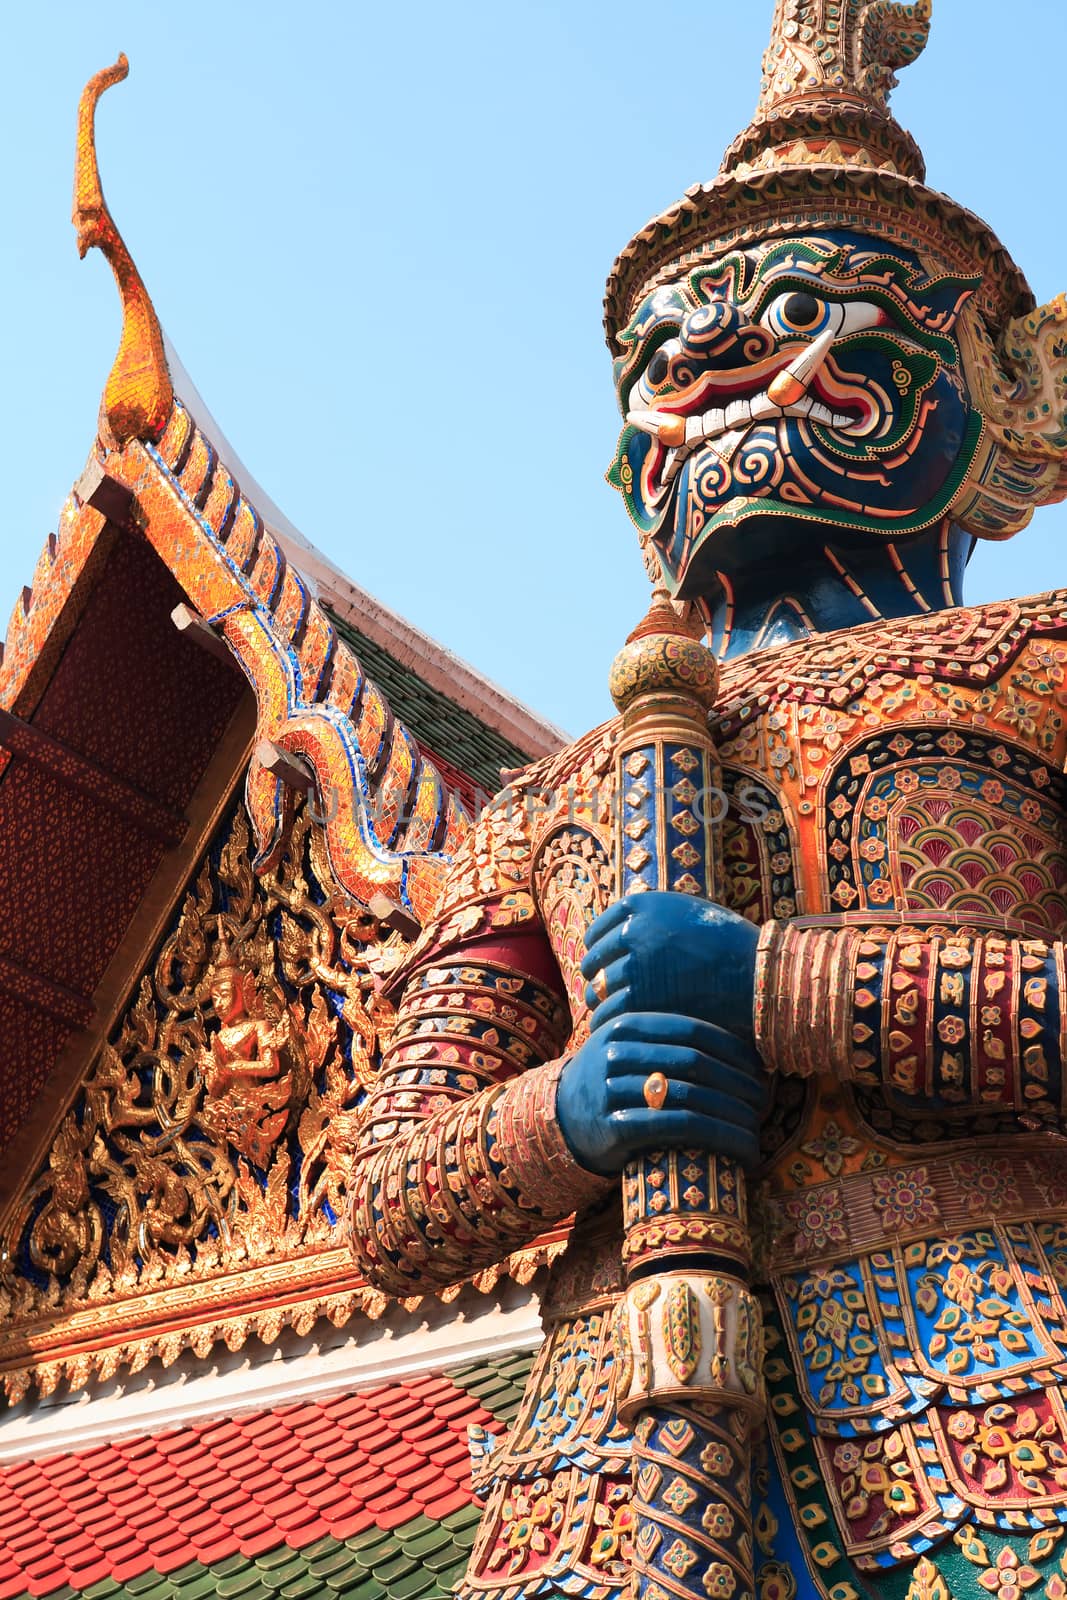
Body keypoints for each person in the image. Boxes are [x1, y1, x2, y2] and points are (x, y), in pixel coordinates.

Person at [348, 4, 1067, 1596]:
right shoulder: (558, 797)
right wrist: (577, 1104)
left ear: (1013, 392)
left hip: (1013, 1401)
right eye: (666, 352)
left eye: (813, 307)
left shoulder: (1044, 670)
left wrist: (779, 989)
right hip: (616, 1459)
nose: (718, 366)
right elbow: (387, 1201)